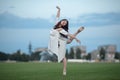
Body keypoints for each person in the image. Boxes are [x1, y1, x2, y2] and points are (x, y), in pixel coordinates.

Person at [48, 6, 84, 76]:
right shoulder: (56, 24)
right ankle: (77, 32)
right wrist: (59, 10)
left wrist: (76, 38)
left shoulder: (62, 30)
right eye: (63, 21)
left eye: (65, 23)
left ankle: (64, 69)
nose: (64, 22)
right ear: (61, 21)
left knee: (64, 55)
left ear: (65, 25)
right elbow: (57, 16)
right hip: (57, 40)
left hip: (62, 40)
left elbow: (68, 34)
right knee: (69, 40)